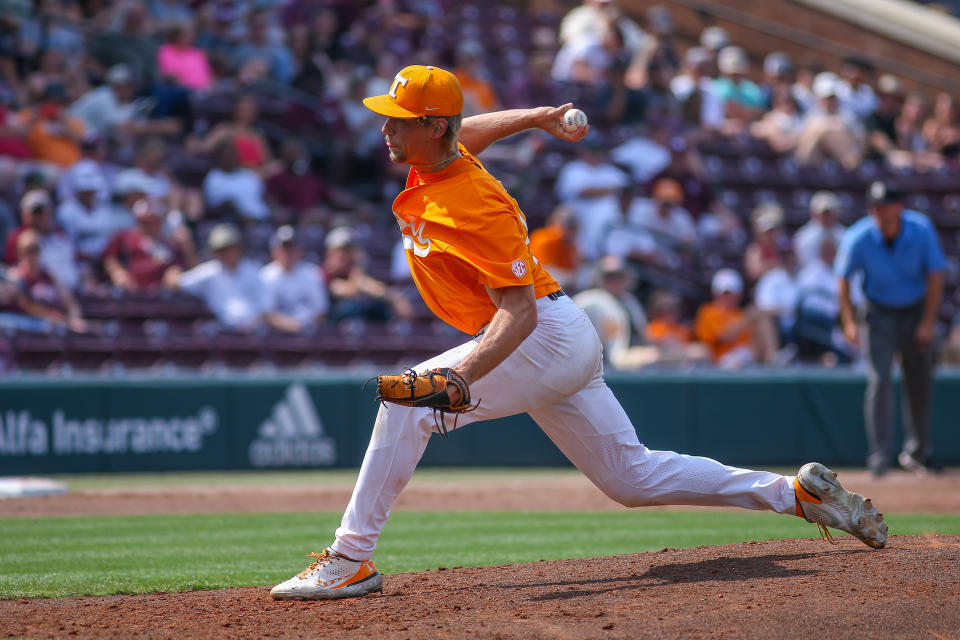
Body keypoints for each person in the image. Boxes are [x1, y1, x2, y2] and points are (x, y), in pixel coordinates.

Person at [269, 65, 887, 601]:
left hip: (538, 334)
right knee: (631, 478)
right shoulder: (446, 156)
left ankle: (348, 561)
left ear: (433, 129)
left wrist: (459, 377)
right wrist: (539, 116)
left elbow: (520, 314)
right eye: (389, 116)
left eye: (401, 119)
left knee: (407, 406)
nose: (387, 127)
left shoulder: (472, 203)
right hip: (555, 334)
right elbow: (470, 130)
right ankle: (795, 494)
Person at [836, 181, 946, 476]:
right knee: (879, 380)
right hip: (878, 312)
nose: (879, 211)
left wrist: (926, 322)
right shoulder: (858, 236)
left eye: (884, 205)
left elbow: (936, 276)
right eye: (874, 206)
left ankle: (918, 452)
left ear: (899, 206)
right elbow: (843, 278)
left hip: (915, 310)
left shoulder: (920, 229)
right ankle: (880, 455)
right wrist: (848, 320)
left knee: (919, 380)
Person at [177, 223, 267, 332]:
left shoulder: (253, 270)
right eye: (222, 250)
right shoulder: (210, 271)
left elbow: (265, 306)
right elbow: (179, 281)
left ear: (238, 248)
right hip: (223, 333)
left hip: (255, 332)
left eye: (230, 248)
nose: (227, 253)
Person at [260, 225, 329, 333]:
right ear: (274, 252)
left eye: (292, 249)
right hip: (276, 334)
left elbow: (321, 310)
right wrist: (289, 325)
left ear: (300, 251)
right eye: (284, 249)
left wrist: (303, 325)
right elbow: (266, 312)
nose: (288, 254)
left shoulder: (312, 273)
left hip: (308, 332)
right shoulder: (266, 275)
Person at [793, 190, 846, 268]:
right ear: (814, 213)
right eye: (824, 213)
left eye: (830, 213)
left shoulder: (845, 235)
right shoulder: (803, 238)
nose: (827, 216)